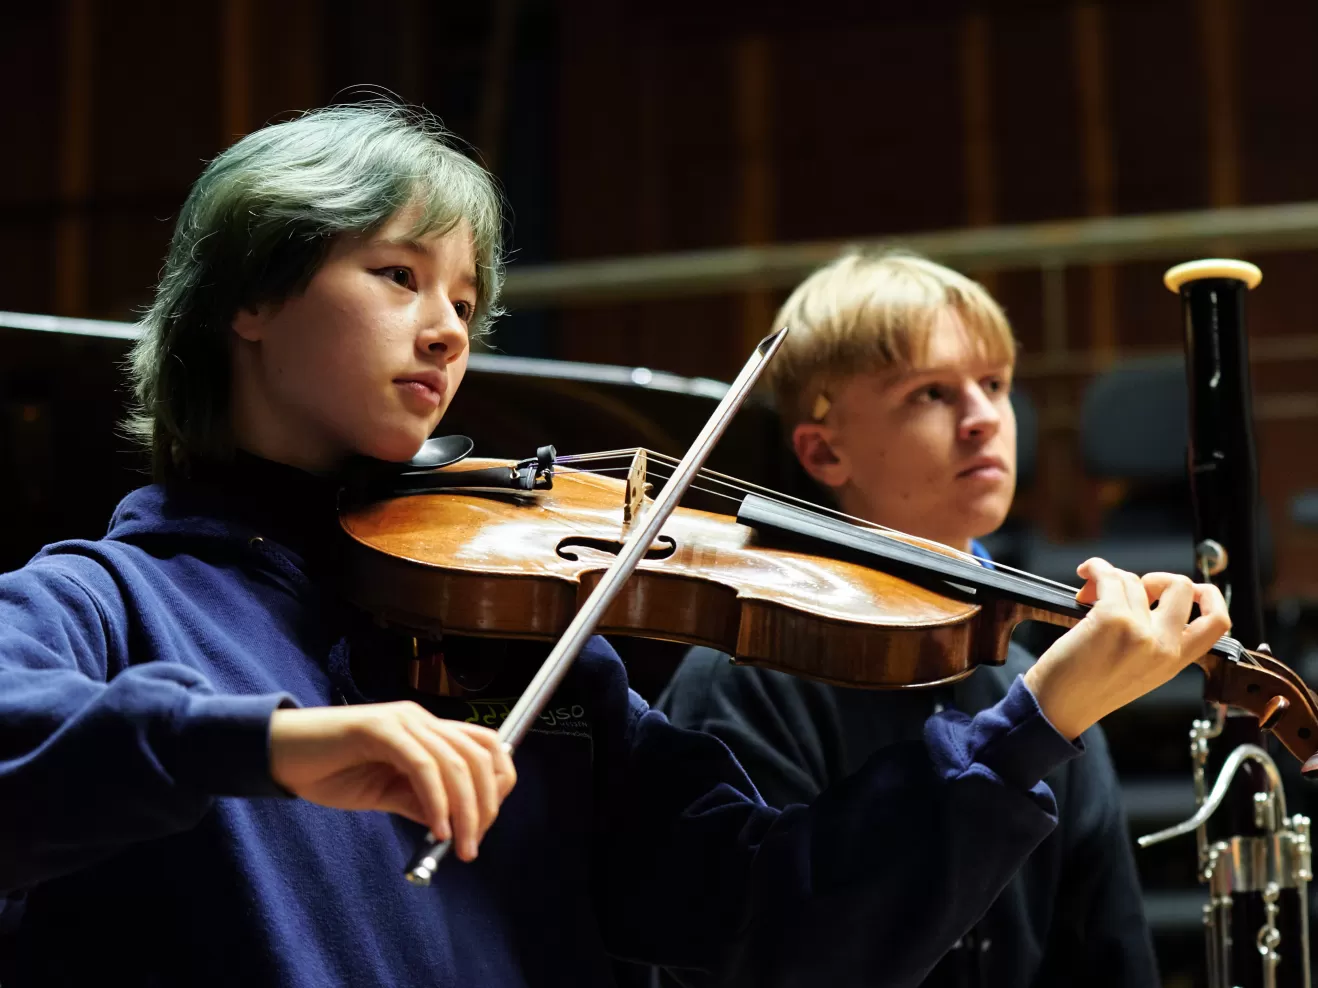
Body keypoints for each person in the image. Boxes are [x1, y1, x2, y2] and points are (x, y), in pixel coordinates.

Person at [0, 104, 1226, 988]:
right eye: (396, 274)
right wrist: (268, 743)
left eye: (467, 301)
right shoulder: (107, 603)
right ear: (244, 304)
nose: (444, 332)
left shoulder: (529, 657)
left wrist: (1031, 722)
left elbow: (784, 925)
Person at [657, 251, 1160, 987]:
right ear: (825, 451)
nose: (987, 418)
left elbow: (1109, 963)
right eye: (931, 393)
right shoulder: (746, 678)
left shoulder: (1041, 685)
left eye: (993, 384)